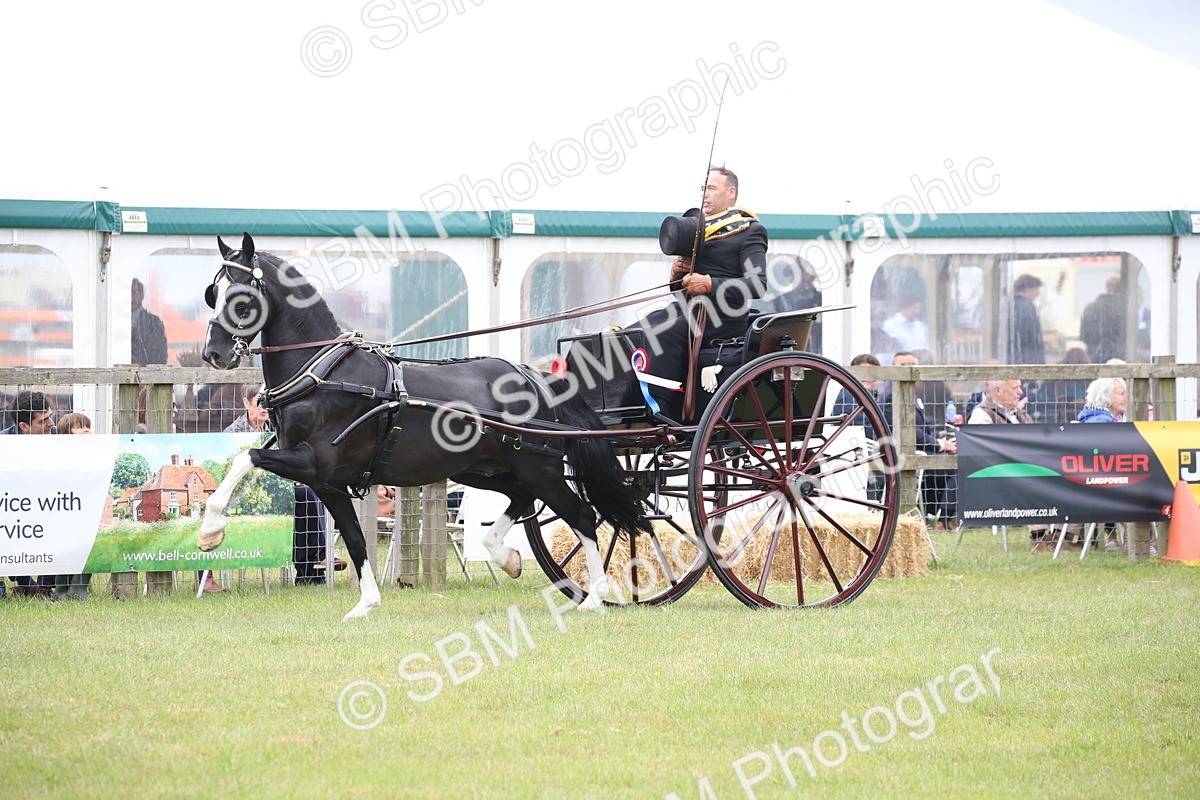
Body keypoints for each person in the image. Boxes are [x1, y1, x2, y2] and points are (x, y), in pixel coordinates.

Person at [624, 166, 768, 419]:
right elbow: (683, 293)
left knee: (662, 335)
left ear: (731, 192)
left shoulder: (749, 231)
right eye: (703, 189)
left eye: (711, 188)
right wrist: (677, 277)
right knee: (634, 331)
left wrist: (710, 283)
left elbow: (757, 285)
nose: (705, 194)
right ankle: (628, 402)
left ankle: (661, 409)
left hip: (723, 318)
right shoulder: (699, 230)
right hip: (690, 311)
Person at [223, 384, 343, 585]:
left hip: (282, 485)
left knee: (310, 491)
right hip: (249, 492)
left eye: (266, 403)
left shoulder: (278, 428)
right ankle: (318, 557)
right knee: (305, 495)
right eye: (257, 402)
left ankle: (312, 568)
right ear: (246, 403)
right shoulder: (233, 433)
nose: (263, 408)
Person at [879, 352, 958, 528]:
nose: (908, 370)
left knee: (951, 462)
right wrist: (940, 445)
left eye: (911, 365)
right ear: (893, 369)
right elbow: (910, 433)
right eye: (902, 367)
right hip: (905, 454)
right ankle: (943, 520)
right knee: (954, 465)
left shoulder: (910, 390)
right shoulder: (893, 394)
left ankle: (938, 516)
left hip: (919, 449)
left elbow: (922, 428)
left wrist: (941, 441)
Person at [1, 391, 58, 597]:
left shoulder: (64, 440)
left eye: (51, 416)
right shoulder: (3, 444)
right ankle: (25, 583)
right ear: (24, 427)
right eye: (44, 420)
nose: (52, 423)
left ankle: (43, 588)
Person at [1075, 377, 1131, 552]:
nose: (1126, 398)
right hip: (1100, 484)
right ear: (1105, 397)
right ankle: (1139, 540)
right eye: (1122, 393)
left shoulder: (1112, 419)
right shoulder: (1098, 423)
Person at [54, 413, 95, 599]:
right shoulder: (60, 456)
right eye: (79, 427)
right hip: (65, 509)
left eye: (88, 426)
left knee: (88, 546)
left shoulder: (95, 455)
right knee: (64, 548)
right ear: (65, 434)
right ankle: (61, 589)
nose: (86, 430)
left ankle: (79, 587)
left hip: (88, 511)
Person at [832, 354, 884, 501]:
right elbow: (857, 429)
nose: (866, 377)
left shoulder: (871, 395)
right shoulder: (850, 396)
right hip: (856, 453)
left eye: (870, 373)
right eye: (862, 373)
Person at [1080, 275, 1126, 364]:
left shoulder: (1089, 308)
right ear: (1121, 288)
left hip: (1094, 357)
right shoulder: (1124, 310)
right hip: (1119, 359)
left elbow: (1083, 336)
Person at [131, 278, 169, 365]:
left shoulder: (154, 323)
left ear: (142, 295)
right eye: (128, 293)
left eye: (133, 293)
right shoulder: (115, 322)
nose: (131, 297)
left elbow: (159, 356)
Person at [1009, 274, 1045, 364]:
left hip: (1012, 358)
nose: (1038, 293)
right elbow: (1033, 337)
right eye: (1036, 289)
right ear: (1028, 289)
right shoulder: (1028, 307)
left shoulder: (1008, 305)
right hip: (1027, 359)